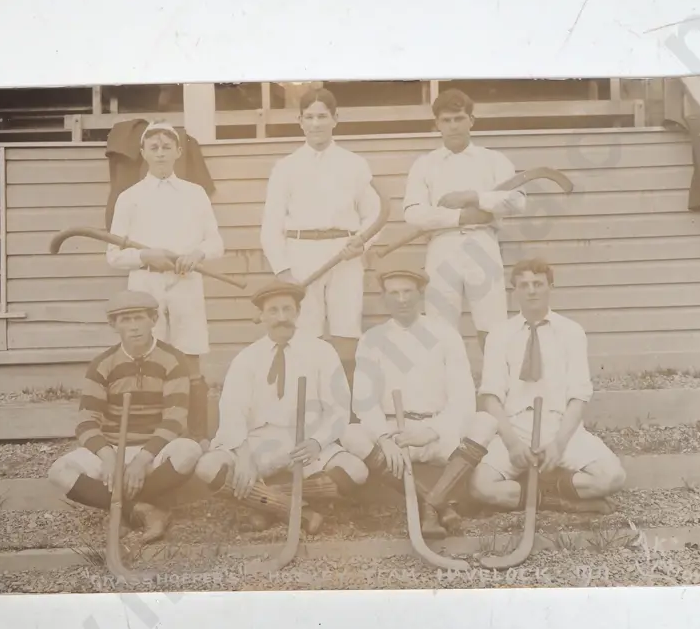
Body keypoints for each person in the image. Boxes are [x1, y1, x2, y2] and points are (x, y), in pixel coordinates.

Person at [193, 280, 368, 533]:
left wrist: (317, 442)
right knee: (207, 467)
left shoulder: (322, 352)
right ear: (262, 316)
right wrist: (243, 457)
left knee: (356, 471)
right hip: (258, 443)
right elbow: (232, 412)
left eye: (287, 309)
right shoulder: (247, 358)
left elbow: (339, 409)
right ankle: (299, 511)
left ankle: (267, 500)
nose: (281, 317)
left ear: (298, 312)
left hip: (305, 442)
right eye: (273, 311)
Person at [341, 269, 497, 538]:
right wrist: (384, 438)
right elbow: (363, 403)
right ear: (384, 298)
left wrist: (432, 431)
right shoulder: (372, 340)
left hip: (437, 433)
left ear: (421, 294)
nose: (402, 299)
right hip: (395, 436)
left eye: (408, 292)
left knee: (486, 422)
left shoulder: (445, 334)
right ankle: (439, 504)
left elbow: (463, 398)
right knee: (350, 433)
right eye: (394, 293)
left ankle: (431, 502)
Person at [468, 259, 627, 513]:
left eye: (538, 284)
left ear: (550, 287)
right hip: (515, 427)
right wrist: (511, 443)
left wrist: (559, 444)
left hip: (560, 426)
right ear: (515, 291)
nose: (531, 290)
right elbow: (490, 397)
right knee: (480, 487)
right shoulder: (499, 335)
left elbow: (578, 396)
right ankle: (557, 501)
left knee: (612, 477)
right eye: (524, 285)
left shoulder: (571, 332)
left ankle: (534, 494)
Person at [47, 291, 203, 543]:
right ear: (113, 325)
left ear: (153, 319)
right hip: (114, 448)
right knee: (58, 471)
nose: (133, 327)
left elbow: (175, 419)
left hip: (154, 450)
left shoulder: (173, 360)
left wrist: (142, 460)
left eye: (139, 318)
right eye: (125, 320)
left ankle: (125, 509)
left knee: (189, 452)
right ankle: (141, 510)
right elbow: (86, 422)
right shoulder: (102, 364)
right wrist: (108, 458)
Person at [106, 120, 225, 438]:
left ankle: (196, 436)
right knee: (148, 357)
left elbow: (215, 243)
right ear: (143, 153)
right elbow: (114, 255)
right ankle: (151, 435)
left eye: (167, 147)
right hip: (146, 287)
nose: (160, 154)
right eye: (154, 148)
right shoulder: (129, 197)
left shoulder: (195, 194)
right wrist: (146, 256)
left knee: (190, 359)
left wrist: (196, 254)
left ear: (178, 152)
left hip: (186, 282)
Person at [259, 87, 382, 389]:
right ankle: (308, 402)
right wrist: (283, 270)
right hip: (301, 254)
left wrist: (362, 243)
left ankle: (346, 409)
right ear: (300, 121)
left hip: (345, 253)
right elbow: (271, 224)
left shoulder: (354, 164)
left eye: (322, 116)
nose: (316, 124)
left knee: (346, 328)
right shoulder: (286, 167)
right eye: (309, 117)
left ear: (335, 119)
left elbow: (376, 214)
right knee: (305, 332)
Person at [402, 87, 529, 354]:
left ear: (471, 120)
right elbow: (413, 213)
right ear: (437, 124)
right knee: (439, 327)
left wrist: (473, 196)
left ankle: (495, 388)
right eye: (446, 120)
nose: (453, 126)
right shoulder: (425, 164)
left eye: (459, 118)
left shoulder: (493, 160)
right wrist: (460, 216)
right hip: (442, 245)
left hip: (482, 243)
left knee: (492, 326)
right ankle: (443, 391)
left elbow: (517, 200)